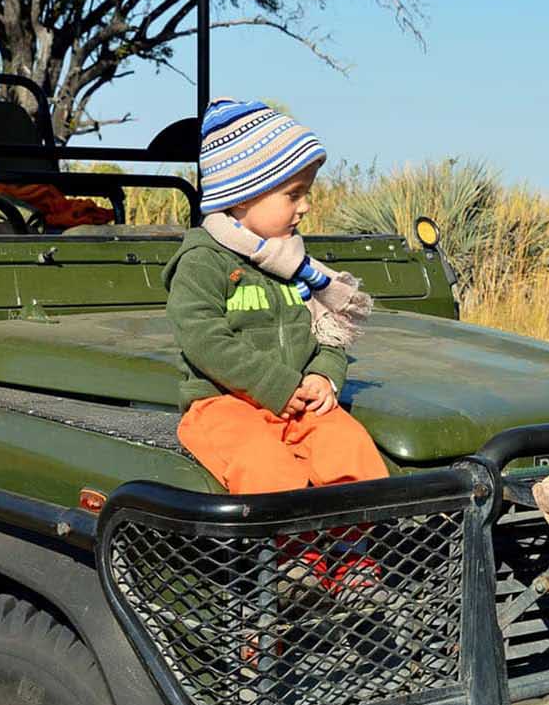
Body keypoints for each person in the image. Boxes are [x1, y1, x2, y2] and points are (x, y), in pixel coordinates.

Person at [164, 98, 387, 495]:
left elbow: (327, 333)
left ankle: (351, 555)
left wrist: (323, 375)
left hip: (296, 400)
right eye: (293, 194)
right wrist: (275, 385)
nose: (306, 206)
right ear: (244, 194)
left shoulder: (293, 263)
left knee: (352, 452)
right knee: (266, 468)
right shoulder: (203, 261)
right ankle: (290, 558)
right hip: (223, 404)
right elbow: (202, 338)